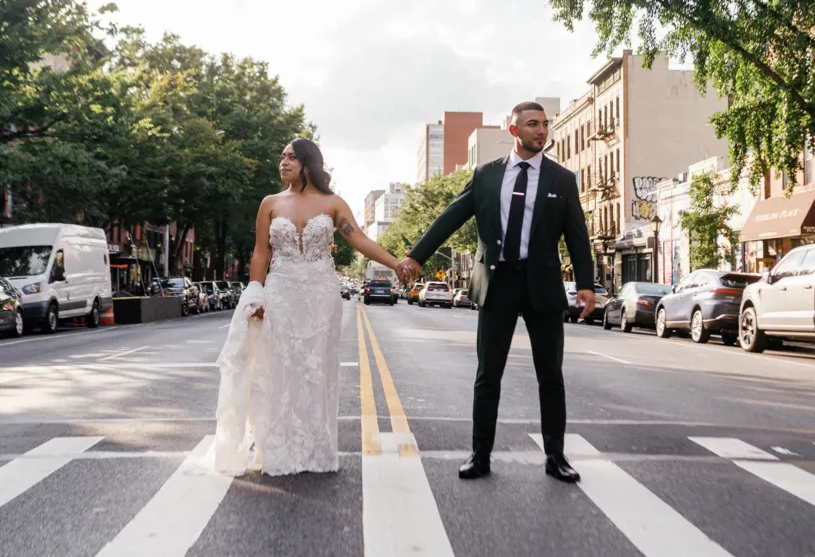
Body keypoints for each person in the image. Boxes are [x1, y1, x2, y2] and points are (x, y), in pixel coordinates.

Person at [396, 102, 596, 483]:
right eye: (533, 124)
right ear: (514, 129)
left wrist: (585, 284)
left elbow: (578, 237)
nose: (541, 131)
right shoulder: (487, 175)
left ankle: (556, 457)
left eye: (545, 125)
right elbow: (451, 217)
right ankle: (480, 455)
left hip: (542, 285)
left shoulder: (561, 179)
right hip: (498, 283)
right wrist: (416, 257)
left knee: (550, 376)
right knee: (488, 375)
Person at [214, 138, 405, 476]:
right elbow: (261, 253)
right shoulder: (270, 203)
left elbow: (358, 239)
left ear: (308, 163)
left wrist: (396, 263)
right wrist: (256, 294)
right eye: (282, 156)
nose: (283, 162)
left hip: (321, 297)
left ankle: (316, 449)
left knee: (316, 371)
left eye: (291, 157)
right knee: (279, 370)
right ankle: (279, 449)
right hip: (281, 295)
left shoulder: (333, 203)